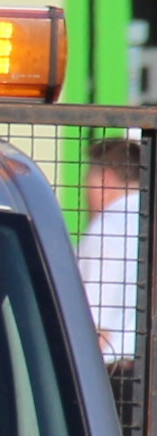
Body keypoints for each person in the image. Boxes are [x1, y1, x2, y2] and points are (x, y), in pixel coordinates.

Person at [77, 138, 142, 368]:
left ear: (105, 178)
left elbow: (93, 327)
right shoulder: (148, 223)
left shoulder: (107, 228)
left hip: (115, 372)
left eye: (88, 180)